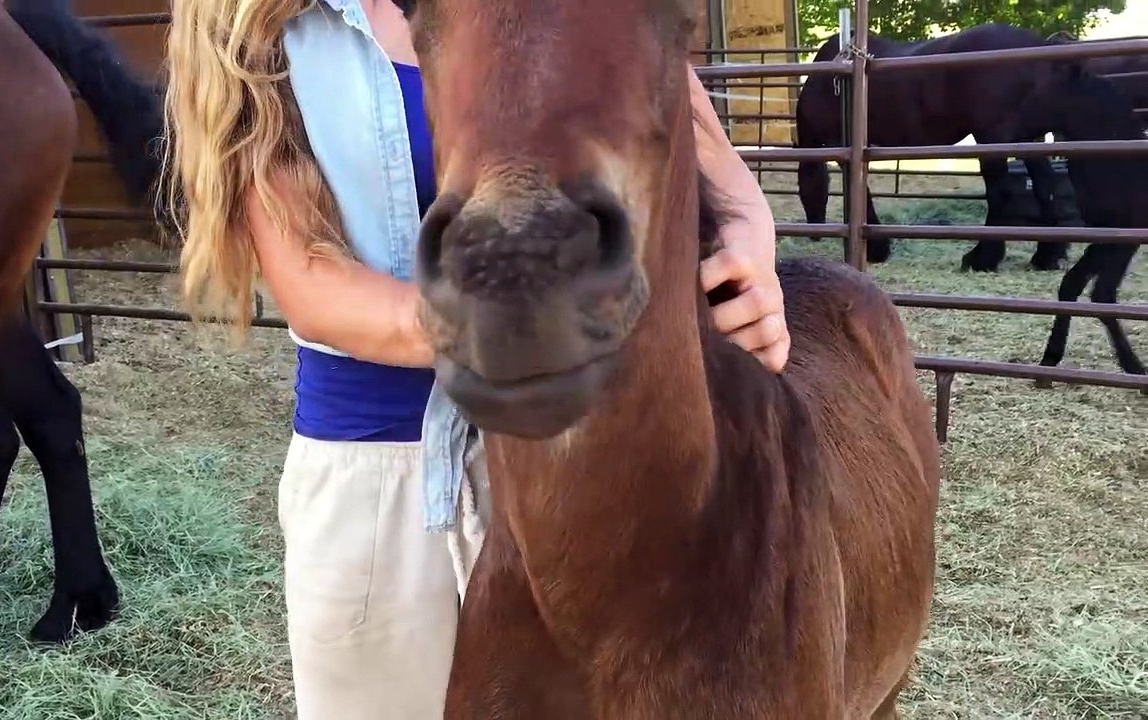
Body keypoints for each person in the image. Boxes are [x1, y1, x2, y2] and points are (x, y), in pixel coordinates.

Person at [163, 0, 788, 718]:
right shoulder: (243, 23)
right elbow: (308, 280)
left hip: (575, 461)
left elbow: (673, 96)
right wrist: (514, 316)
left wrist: (748, 230)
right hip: (379, 473)